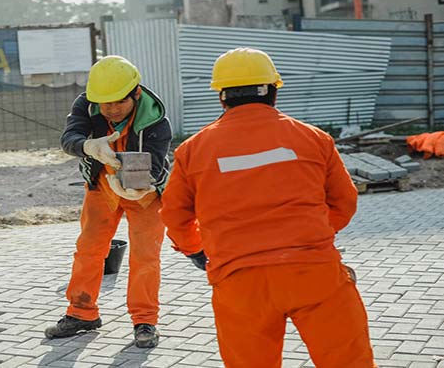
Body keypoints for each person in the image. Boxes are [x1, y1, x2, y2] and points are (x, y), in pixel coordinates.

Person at [160, 48, 376, 367]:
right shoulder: (313, 139)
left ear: (222, 97)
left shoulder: (193, 150)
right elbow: (345, 201)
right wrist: (307, 236)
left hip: (239, 281)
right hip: (315, 274)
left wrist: (198, 251)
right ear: (273, 91)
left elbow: (175, 217)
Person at [44, 56, 172, 348]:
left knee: (145, 257)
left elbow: (155, 163)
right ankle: (82, 313)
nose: (112, 110)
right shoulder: (87, 104)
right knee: (88, 249)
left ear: (135, 94)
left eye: (119, 103)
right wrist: (87, 146)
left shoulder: (155, 119)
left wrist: (139, 186)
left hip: (144, 193)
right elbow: (69, 137)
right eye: (106, 104)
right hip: (101, 187)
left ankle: (145, 320)